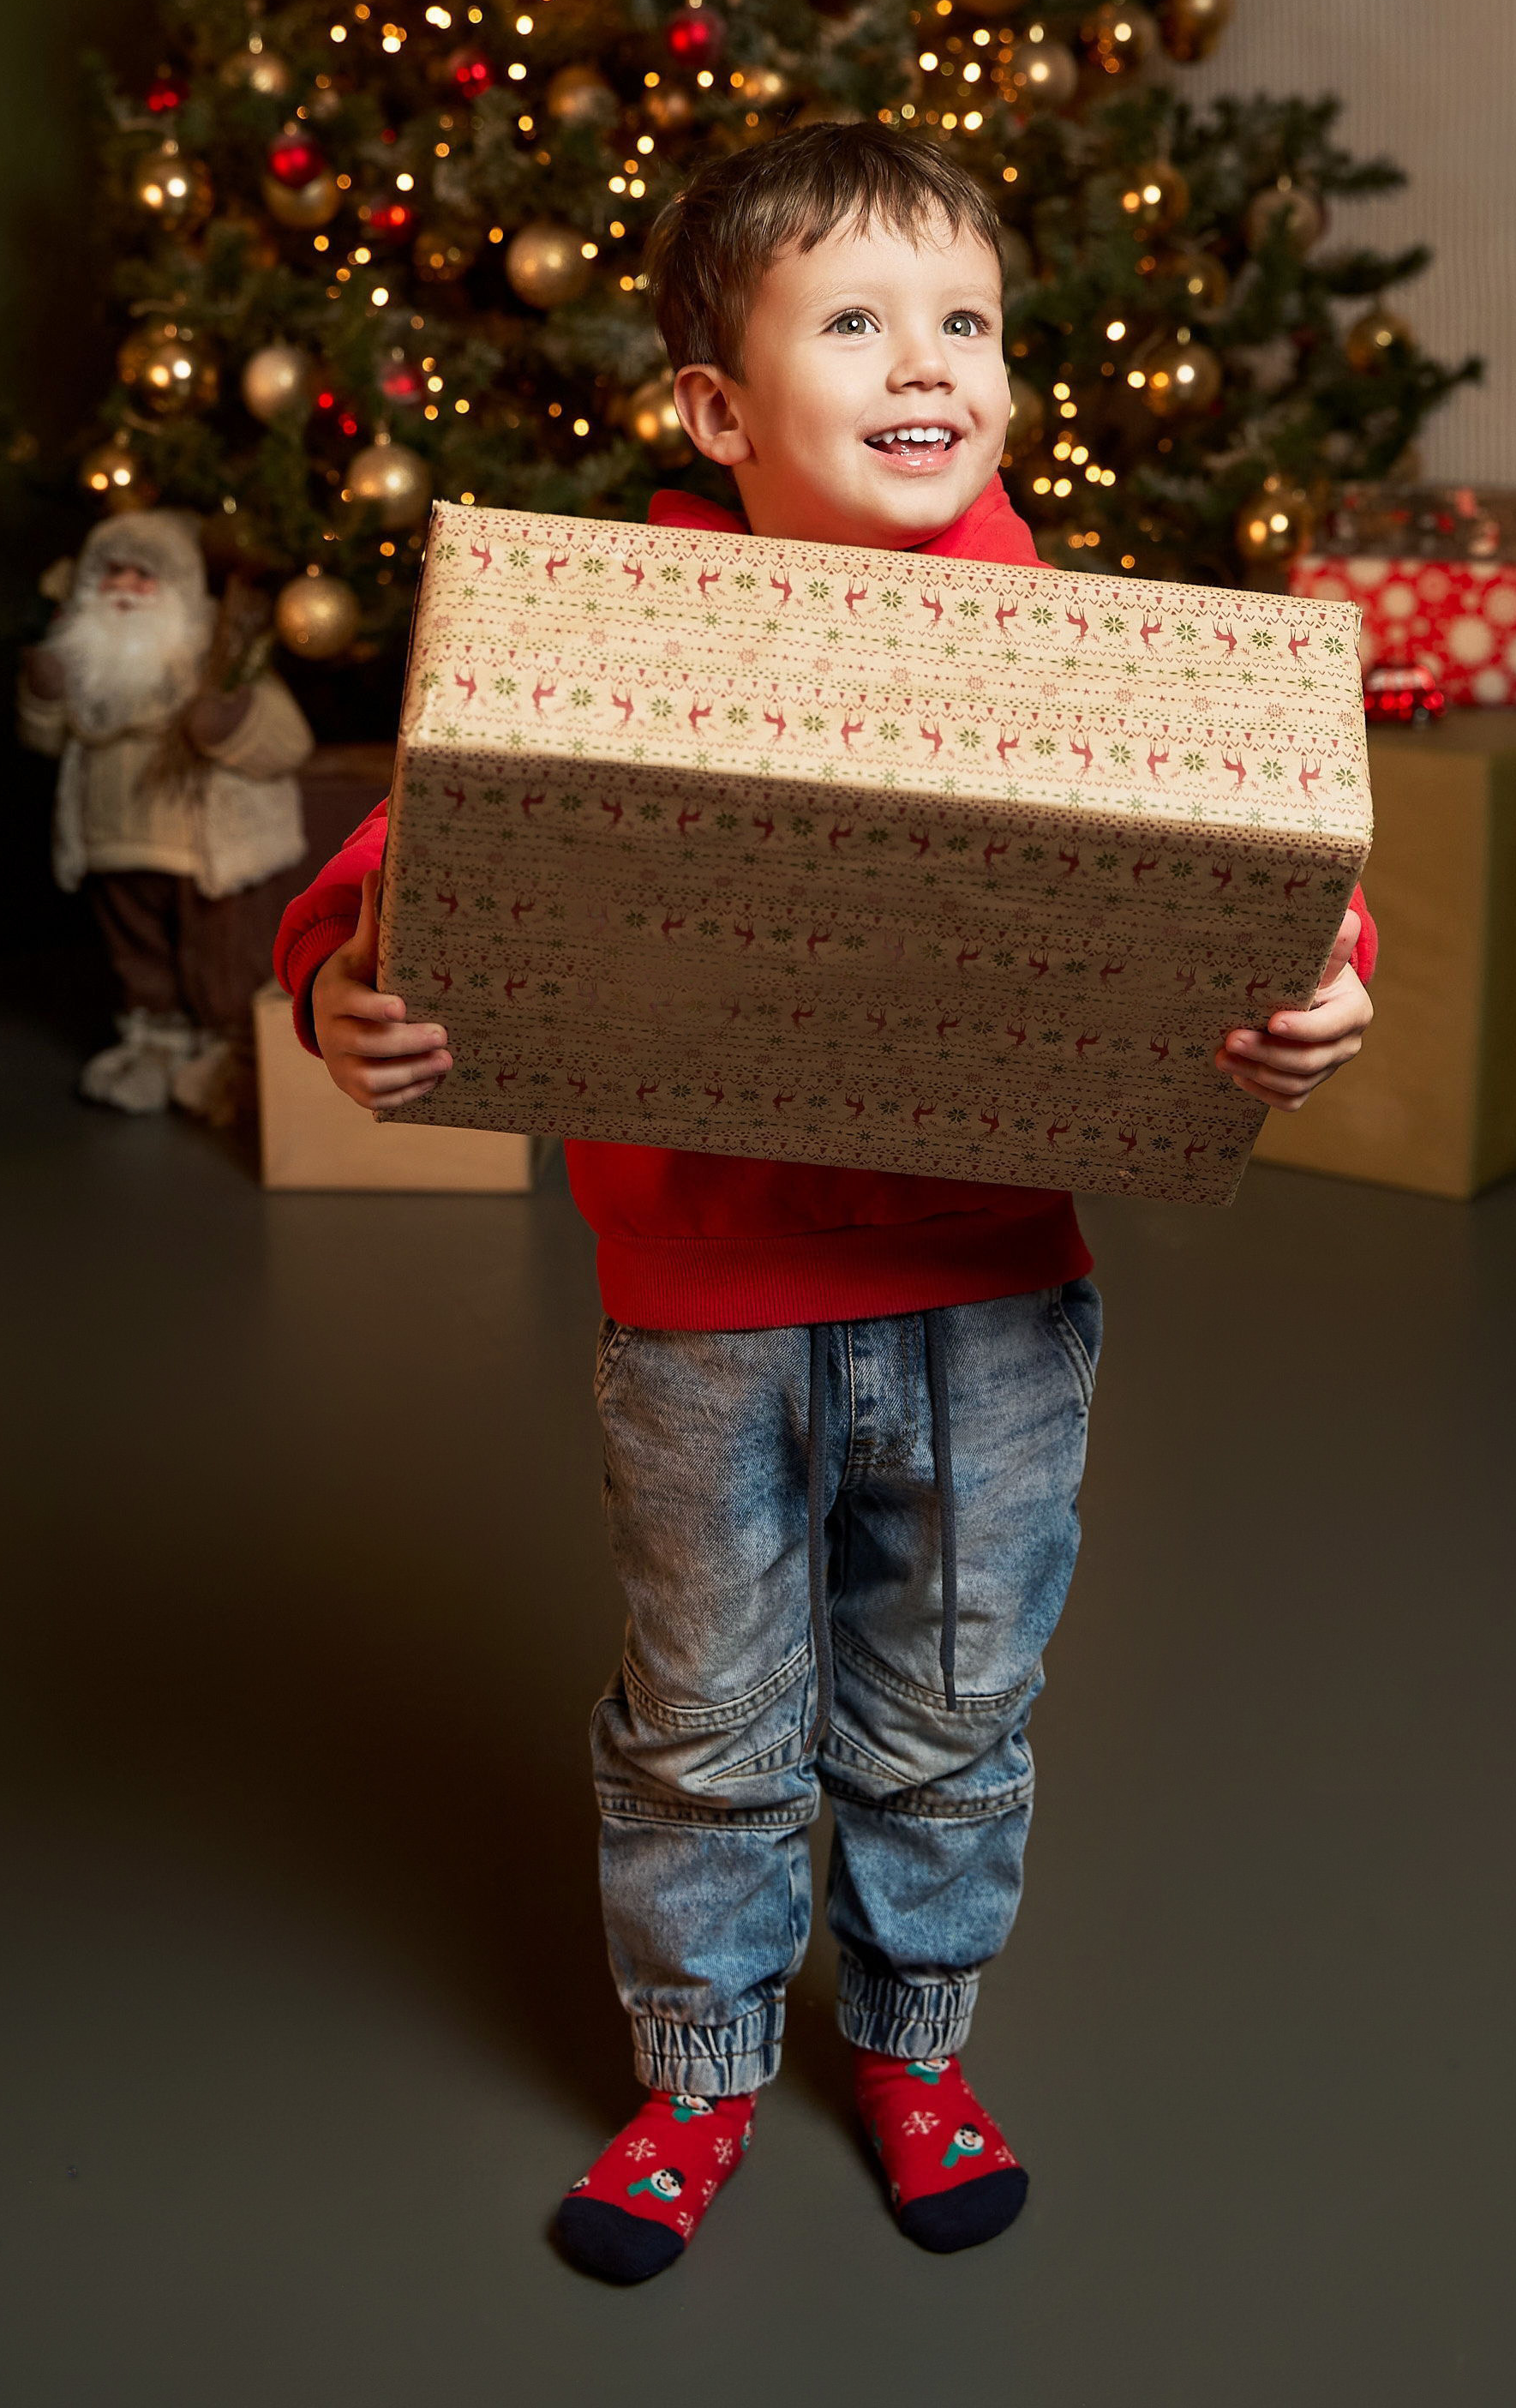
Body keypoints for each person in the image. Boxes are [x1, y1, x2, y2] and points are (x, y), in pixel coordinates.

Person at [273, 125, 1376, 2281]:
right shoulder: (614, 626)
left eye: (965, 320)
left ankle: (912, 2045)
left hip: (993, 1304)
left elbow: (1258, 852)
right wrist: (341, 984)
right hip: (704, 1317)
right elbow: (413, 841)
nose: (926, 361)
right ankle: (696, 2071)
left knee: (951, 1705)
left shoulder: (1067, 638)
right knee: (706, 1719)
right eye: (855, 321)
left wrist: (1319, 985)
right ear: (715, 404)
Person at [21, 507, 312, 1120]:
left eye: (143, 575)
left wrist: (231, 722)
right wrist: (44, 694)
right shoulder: (82, 660)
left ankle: (228, 1054)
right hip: (112, 842)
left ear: (178, 587)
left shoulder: (215, 659)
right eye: (112, 572)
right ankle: (152, 1045)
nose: (125, 587)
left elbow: (288, 741)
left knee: (220, 956)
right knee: (138, 955)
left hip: (201, 852)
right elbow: (46, 739)